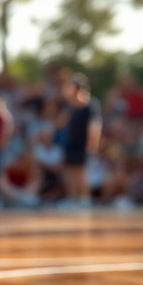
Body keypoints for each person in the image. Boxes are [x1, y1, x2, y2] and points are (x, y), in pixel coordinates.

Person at [60, 73, 101, 209]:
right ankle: (73, 199)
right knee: (70, 171)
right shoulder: (71, 107)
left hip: (83, 144)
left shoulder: (90, 105)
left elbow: (95, 126)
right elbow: (60, 123)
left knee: (81, 172)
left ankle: (85, 199)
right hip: (71, 143)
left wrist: (92, 145)